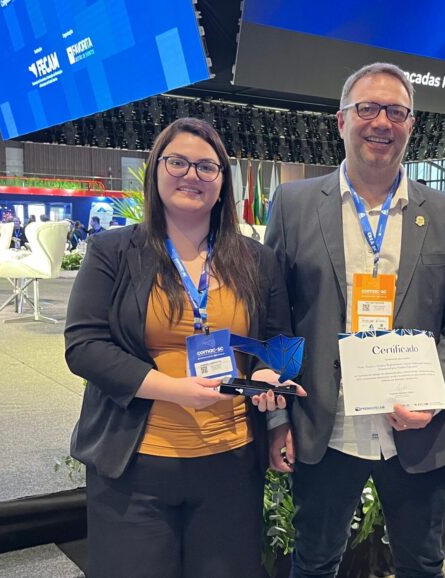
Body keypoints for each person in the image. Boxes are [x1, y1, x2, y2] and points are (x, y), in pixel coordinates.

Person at [263, 62, 445, 578]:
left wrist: (433, 396)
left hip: (415, 428)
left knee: (422, 565)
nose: (381, 121)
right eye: (367, 108)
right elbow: (275, 320)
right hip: (325, 427)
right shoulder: (294, 204)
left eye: (396, 111)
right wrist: (278, 418)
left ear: (411, 125)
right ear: (342, 120)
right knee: (314, 563)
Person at [65, 118, 299, 578]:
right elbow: (84, 345)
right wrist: (173, 390)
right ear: (156, 168)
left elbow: (278, 343)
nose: (192, 175)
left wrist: (268, 378)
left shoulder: (256, 259)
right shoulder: (113, 251)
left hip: (231, 464)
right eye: (178, 162)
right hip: (136, 465)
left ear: (222, 182)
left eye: (207, 167)